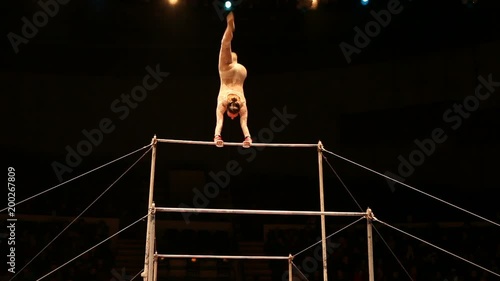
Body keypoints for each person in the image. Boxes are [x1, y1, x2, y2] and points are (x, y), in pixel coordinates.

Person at [213, 12, 252, 148]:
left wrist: (248, 138)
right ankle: (229, 27)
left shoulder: (242, 105)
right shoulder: (222, 103)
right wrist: (216, 136)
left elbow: (242, 123)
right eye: (233, 116)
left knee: (226, 45)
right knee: (224, 44)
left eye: (230, 115)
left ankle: (229, 28)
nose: (232, 117)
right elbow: (220, 122)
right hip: (230, 73)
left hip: (241, 74)